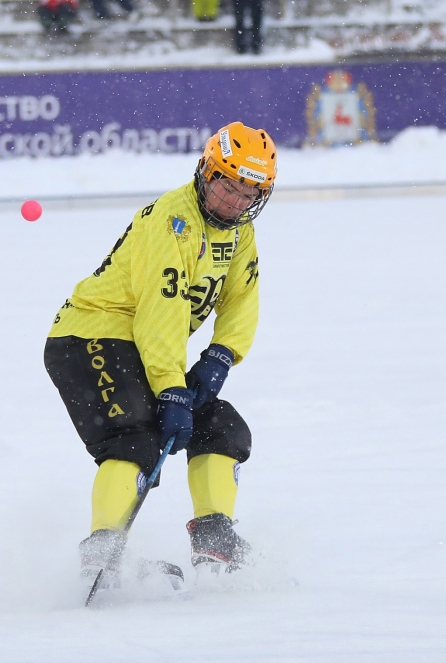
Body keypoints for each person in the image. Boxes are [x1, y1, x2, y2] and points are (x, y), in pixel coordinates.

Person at [44, 122, 277, 594]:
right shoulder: (172, 222)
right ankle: (103, 552)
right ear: (205, 173)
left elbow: (242, 299)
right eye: (227, 186)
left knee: (220, 426)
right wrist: (171, 387)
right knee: (135, 437)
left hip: (145, 347)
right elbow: (159, 315)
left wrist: (222, 354)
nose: (234, 202)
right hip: (88, 336)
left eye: (248, 193)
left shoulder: (240, 231)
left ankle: (215, 537)